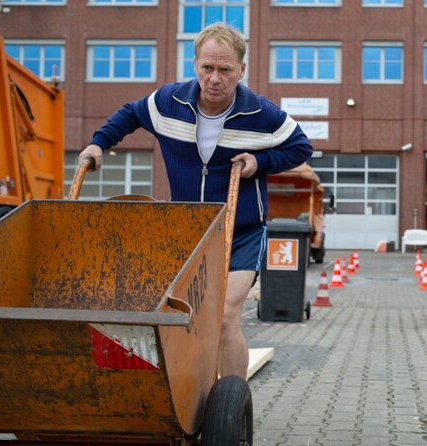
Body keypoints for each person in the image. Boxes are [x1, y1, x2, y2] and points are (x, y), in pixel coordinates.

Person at [77, 23, 313, 379]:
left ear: (241, 70)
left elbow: (301, 147)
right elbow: (130, 114)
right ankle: (190, 392)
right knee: (184, 316)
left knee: (225, 316)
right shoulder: (168, 102)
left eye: (225, 70)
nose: (214, 78)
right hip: (188, 228)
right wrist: (99, 143)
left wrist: (260, 162)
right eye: (207, 68)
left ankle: (232, 409)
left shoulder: (262, 114)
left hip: (242, 230)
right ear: (195, 65)